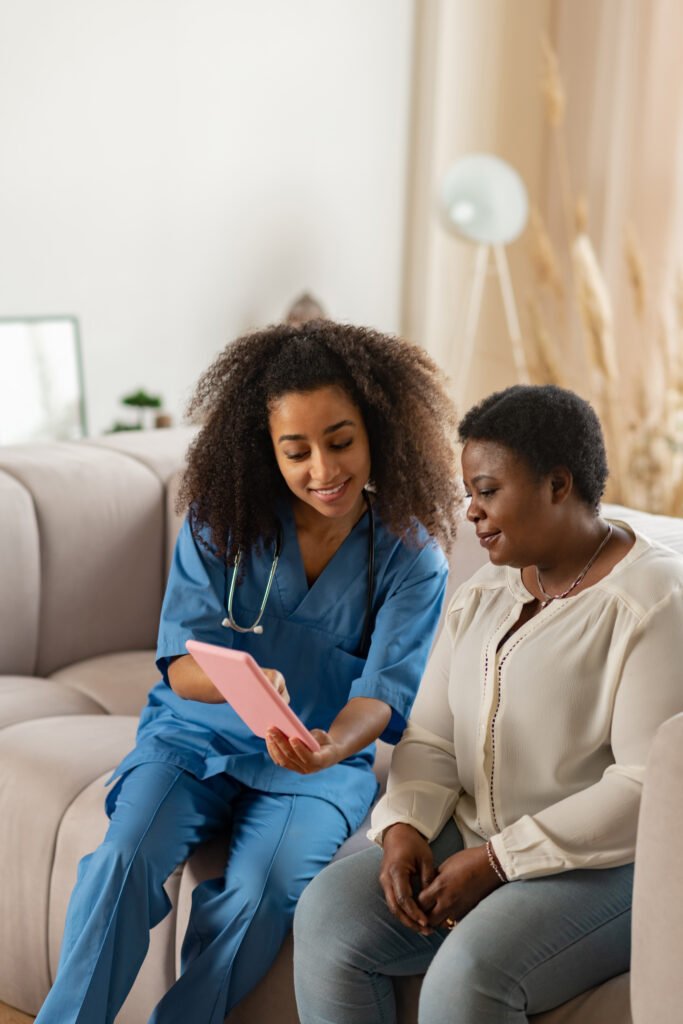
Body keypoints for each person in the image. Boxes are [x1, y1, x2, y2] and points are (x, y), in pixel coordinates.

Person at [36, 319, 462, 1024]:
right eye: (296, 451)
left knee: (261, 894)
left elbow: (382, 693)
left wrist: (325, 747)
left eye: (340, 442)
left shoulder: (410, 557)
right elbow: (180, 662)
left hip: (318, 762)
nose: (322, 471)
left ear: (378, 432)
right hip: (193, 738)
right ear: (266, 449)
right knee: (120, 866)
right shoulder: (222, 522)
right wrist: (244, 686)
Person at [293, 384, 683, 1024]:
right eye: (468, 492)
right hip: (479, 838)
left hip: (613, 865)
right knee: (330, 917)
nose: (471, 512)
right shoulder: (485, 589)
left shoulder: (655, 601)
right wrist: (404, 829)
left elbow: (644, 788)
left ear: (558, 485)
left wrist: (501, 863)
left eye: (488, 490)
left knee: (465, 978)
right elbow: (433, 735)